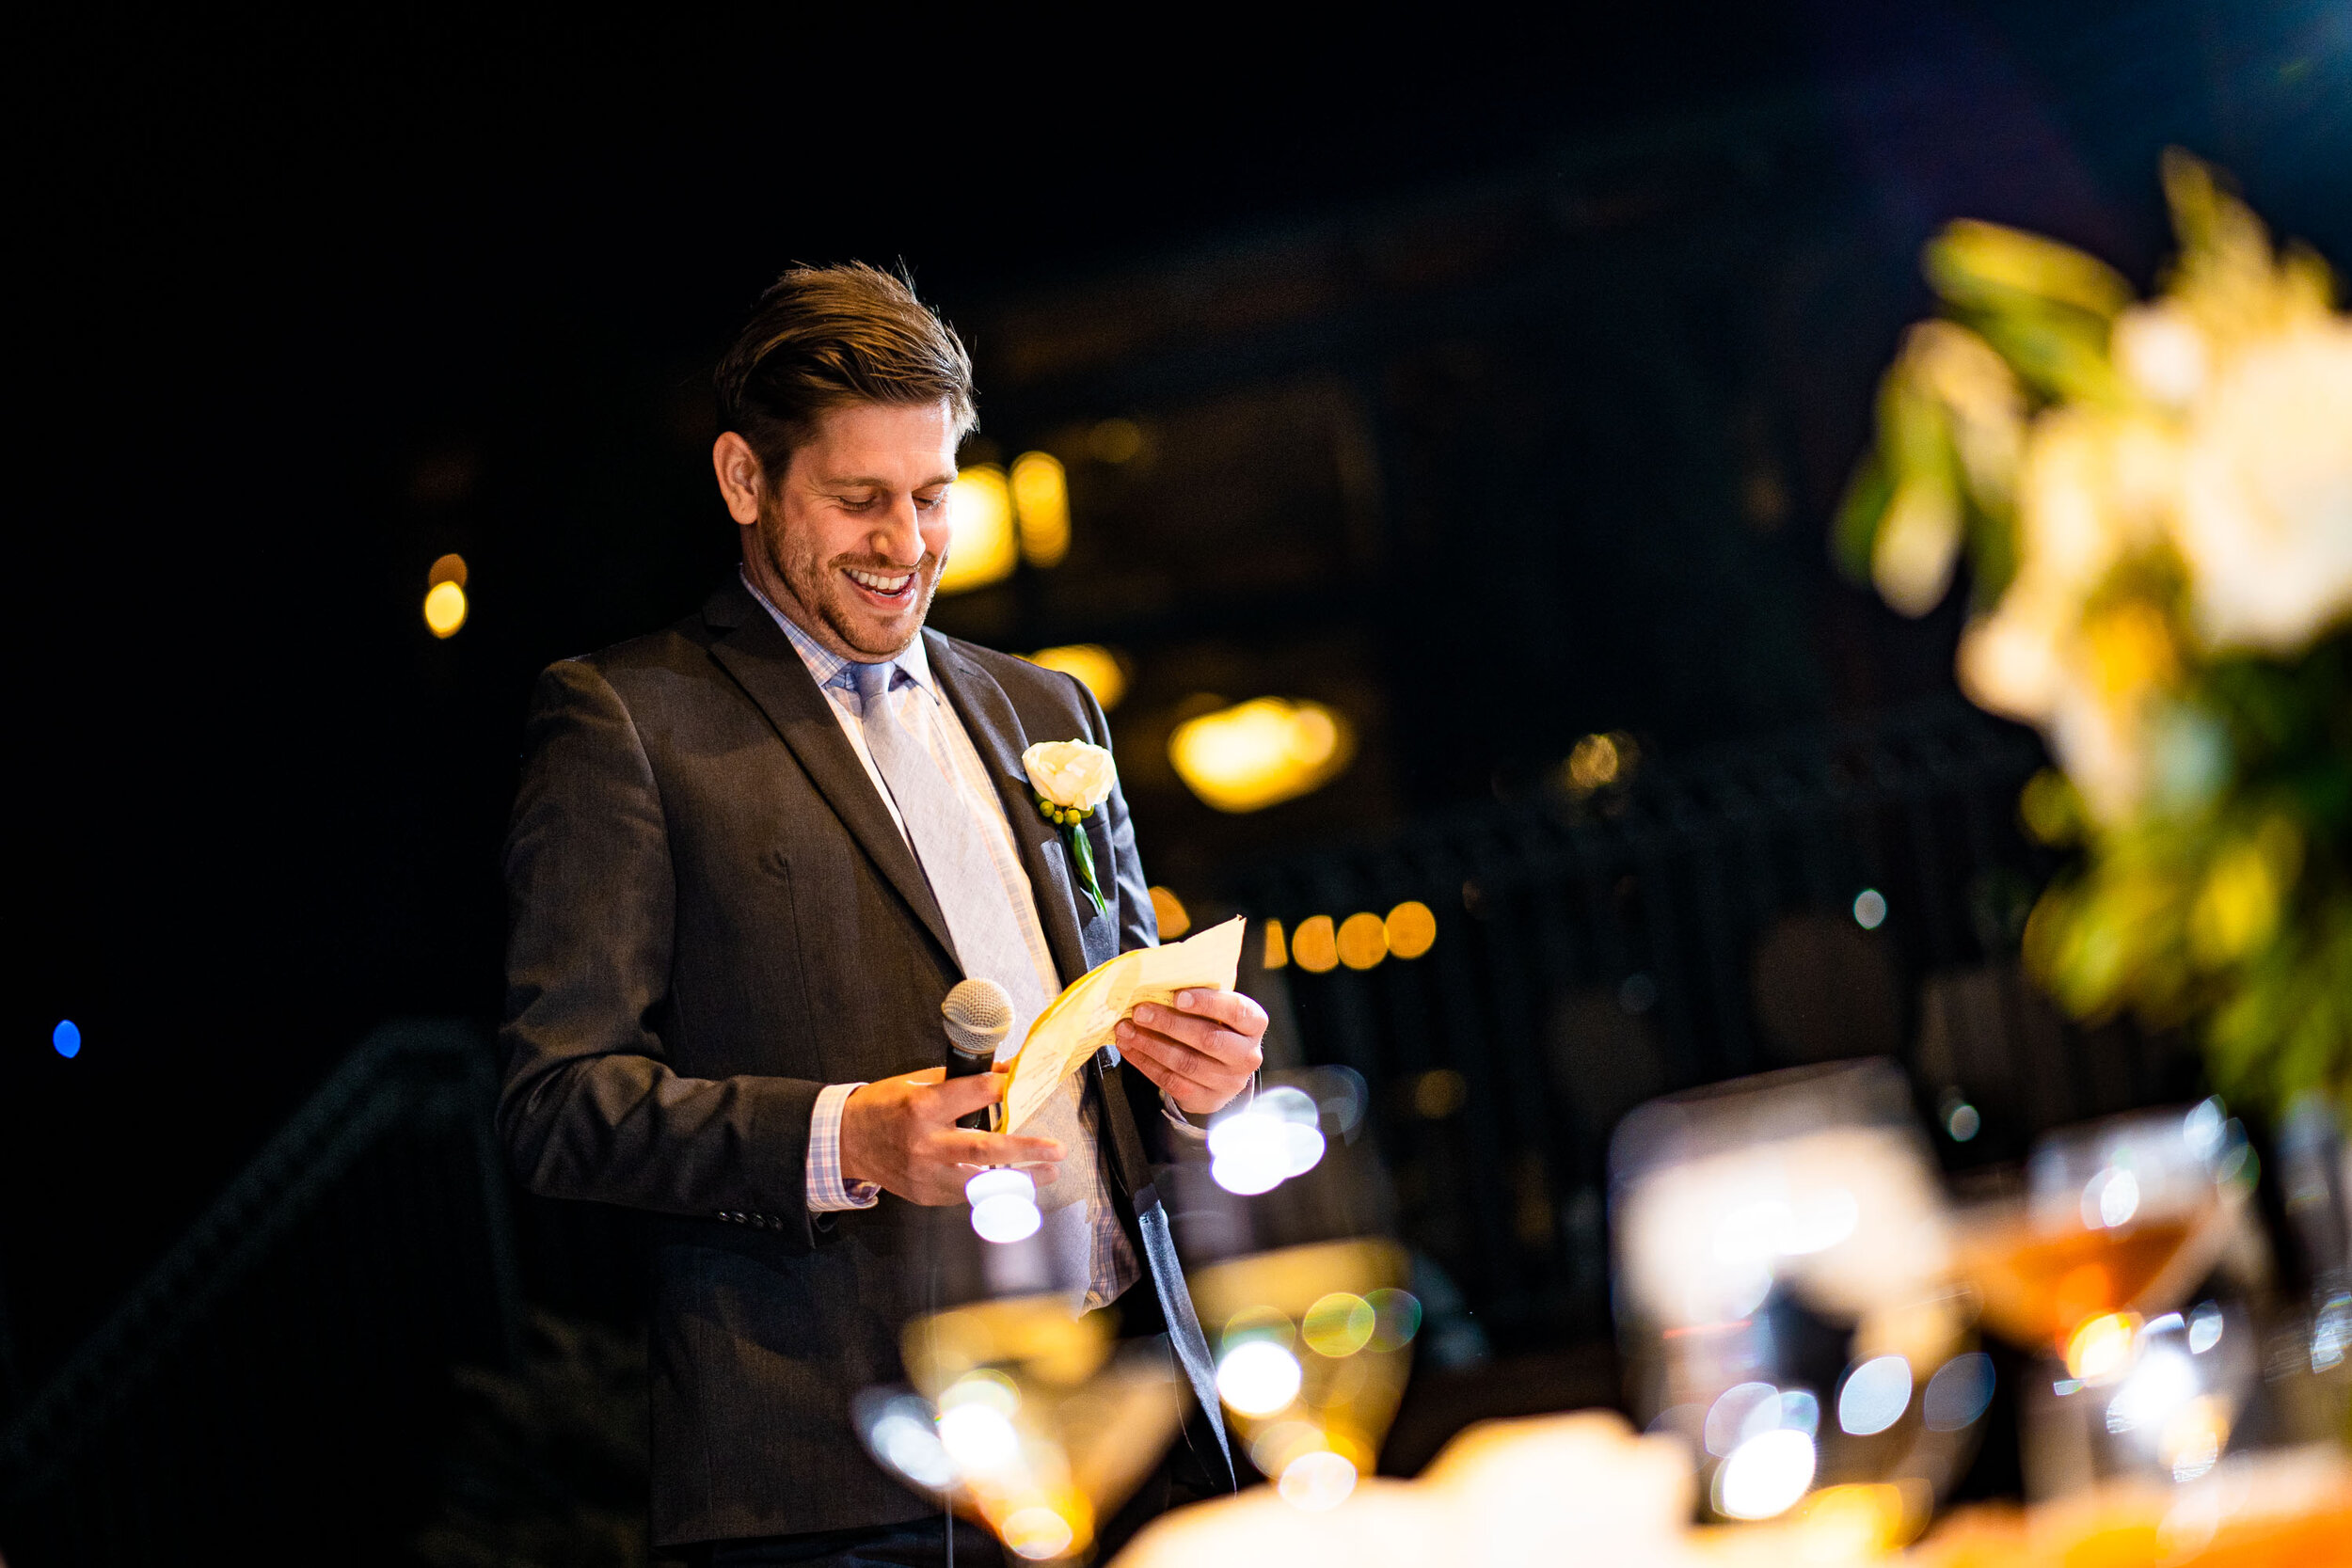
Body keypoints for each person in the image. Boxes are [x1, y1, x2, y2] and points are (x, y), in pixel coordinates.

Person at [498, 262, 1267, 1566]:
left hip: (1137, 1423)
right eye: (859, 500)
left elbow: (1123, 1036)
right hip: (843, 1484)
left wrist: (1194, 1084)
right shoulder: (626, 720)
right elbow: (556, 1105)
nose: (906, 545)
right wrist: (844, 1138)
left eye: (932, 496)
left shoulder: (1049, 714)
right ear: (746, 481)